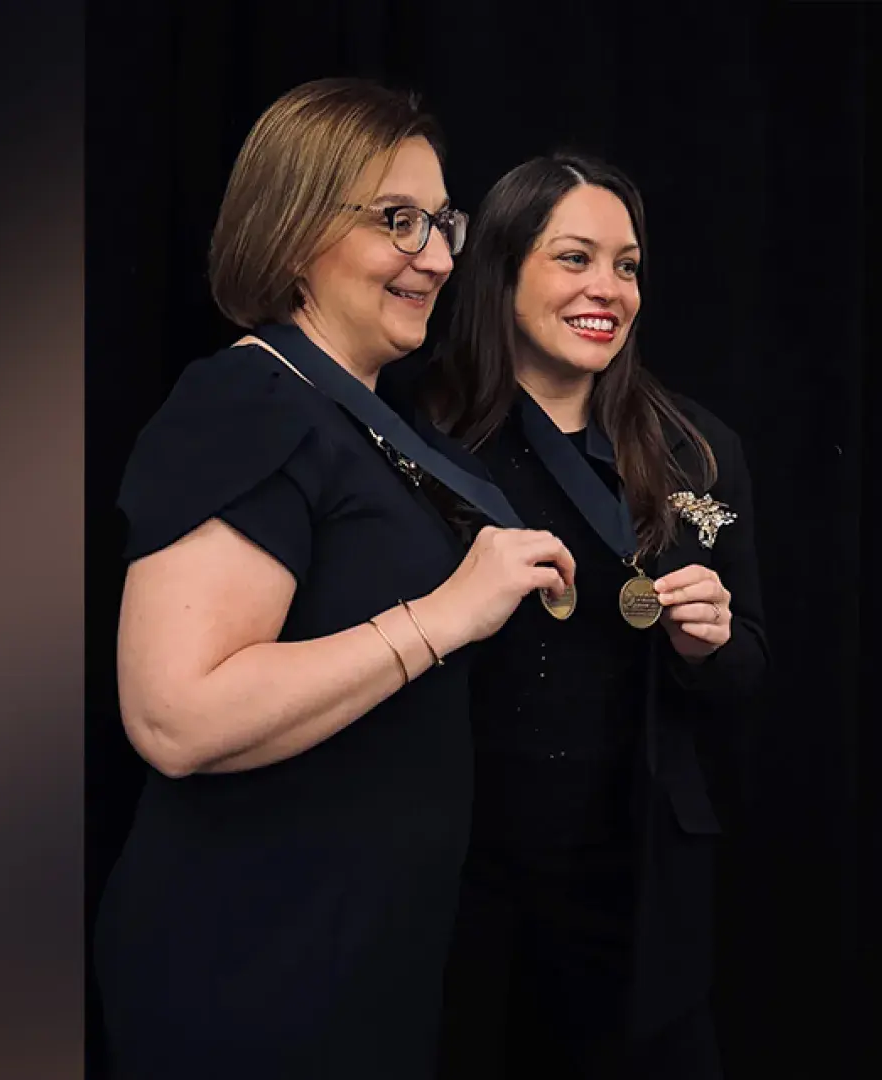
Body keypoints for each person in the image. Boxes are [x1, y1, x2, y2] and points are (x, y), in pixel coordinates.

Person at [92, 79, 577, 1079]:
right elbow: (175, 716)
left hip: (367, 957)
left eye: (443, 222)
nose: (438, 257)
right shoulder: (245, 400)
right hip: (253, 964)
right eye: (397, 221)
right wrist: (444, 616)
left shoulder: (368, 417)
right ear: (293, 228)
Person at [414, 154, 769, 1078]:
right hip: (461, 881)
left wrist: (712, 643)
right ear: (502, 269)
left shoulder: (696, 447)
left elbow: (748, 672)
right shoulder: (422, 435)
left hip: (638, 883)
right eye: (574, 258)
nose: (606, 289)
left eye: (627, 264)